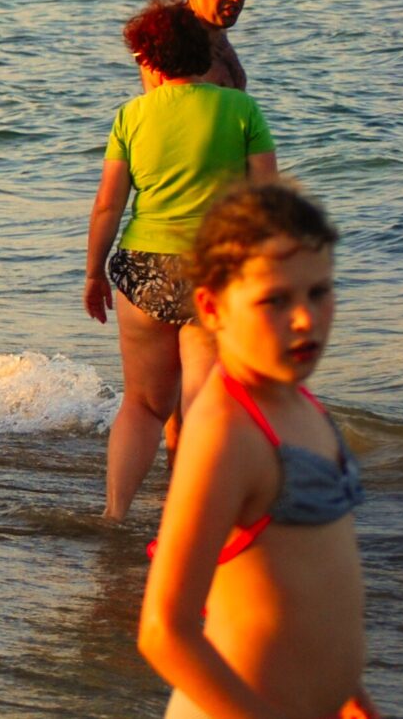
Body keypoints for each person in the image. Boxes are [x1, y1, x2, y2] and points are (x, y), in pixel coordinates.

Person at [138, 185, 372, 719]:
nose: (305, 319)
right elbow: (164, 630)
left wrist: (350, 697)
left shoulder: (299, 400)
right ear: (212, 308)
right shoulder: (228, 431)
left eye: (319, 292)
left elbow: (312, 598)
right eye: (275, 300)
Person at [84, 0, 279, 520]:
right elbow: (266, 199)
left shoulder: (131, 115)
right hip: (214, 271)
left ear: (149, 59)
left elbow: (108, 204)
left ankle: (115, 514)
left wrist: (93, 273)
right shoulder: (242, 109)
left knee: (144, 405)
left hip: (143, 268)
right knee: (203, 403)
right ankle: (195, 521)